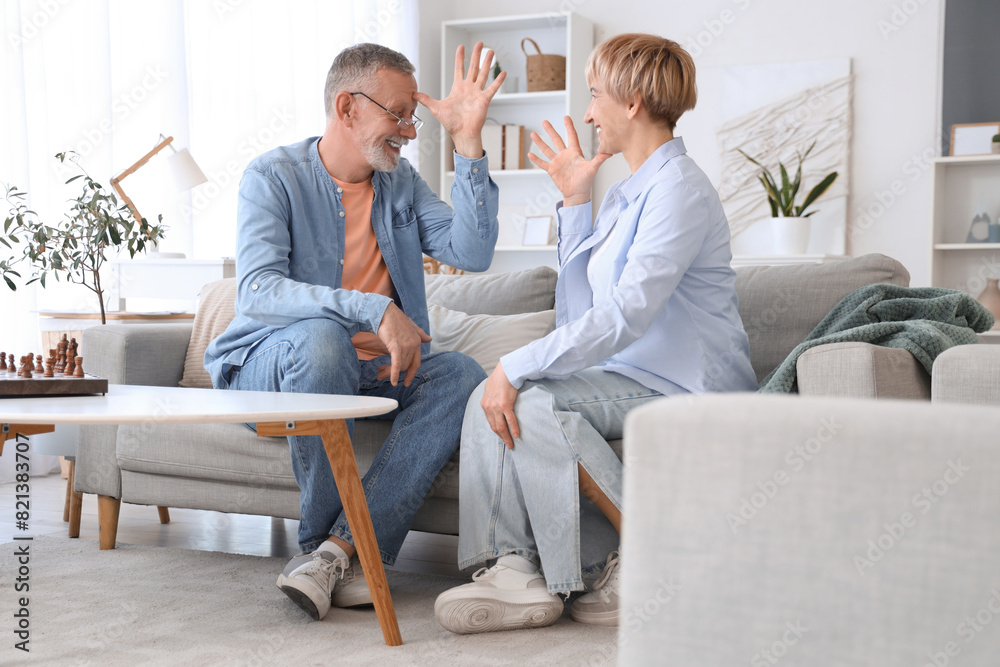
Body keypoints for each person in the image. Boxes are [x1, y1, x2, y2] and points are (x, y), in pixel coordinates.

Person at [434, 33, 758, 634]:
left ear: (632, 101)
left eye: (593, 94)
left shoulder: (679, 190)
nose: (586, 112)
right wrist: (576, 201)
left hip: (687, 386)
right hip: (628, 377)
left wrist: (517, 364)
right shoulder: (627, 194)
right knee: (495, 394)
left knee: (528, 398)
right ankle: (512, 569)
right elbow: (579, 315)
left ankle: (651, 560)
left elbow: (626, 316)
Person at [205, 41, 505, 621]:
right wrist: (372, 309)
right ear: (347, 107)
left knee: (461, 375)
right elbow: (259, 291)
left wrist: (469, 142)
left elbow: (473, 250)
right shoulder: (273, 176)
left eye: (411, 117)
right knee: (323, 338)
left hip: (371, 372)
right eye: (399, 113)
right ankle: (321, 543)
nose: (410, 130)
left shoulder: (402, 183)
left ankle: (337, 553)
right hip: (271, 365)